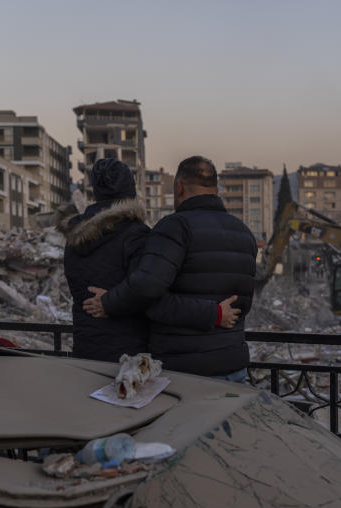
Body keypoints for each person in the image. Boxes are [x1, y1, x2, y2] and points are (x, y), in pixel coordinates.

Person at [84, 156, 257, 381]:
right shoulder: (244, 233)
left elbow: (147, 290)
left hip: (187, 372)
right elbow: (242, 305)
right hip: (234, 367)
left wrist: (108, 302)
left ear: (178, 187)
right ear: (217, 188)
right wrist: (215, 314)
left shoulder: (175, 227)